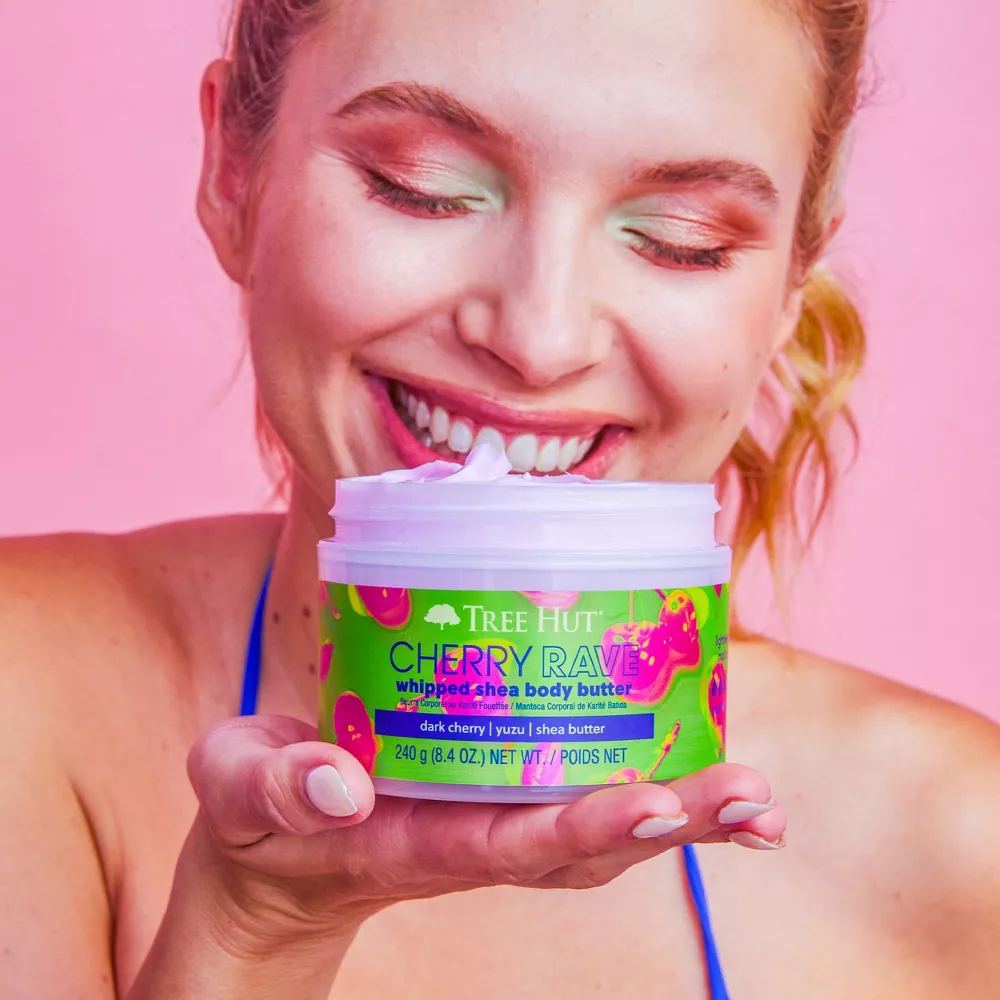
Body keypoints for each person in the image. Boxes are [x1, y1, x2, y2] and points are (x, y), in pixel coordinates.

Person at [2, 0, 999, 996]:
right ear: (233, 171)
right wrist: (253, 931)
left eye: (679, 239)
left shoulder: (960, 841)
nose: (539, 339)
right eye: (422, 187)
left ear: (792, 281)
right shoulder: (29, 693)